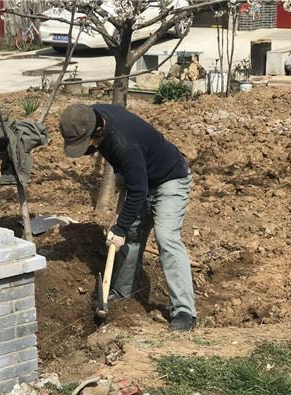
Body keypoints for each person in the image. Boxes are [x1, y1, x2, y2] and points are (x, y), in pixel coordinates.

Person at [59, 103, 196, 331]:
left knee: (166, 238)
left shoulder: (125, 144)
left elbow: (138, 190)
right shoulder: (90, 116)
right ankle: (122, 294)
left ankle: (184, 311)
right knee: (131, 235)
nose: (86, 149)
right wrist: (125, 228)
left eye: (86, 144)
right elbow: (136, 183)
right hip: (140, 177)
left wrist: (119, 227)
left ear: (98, 132)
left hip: (170, 180)